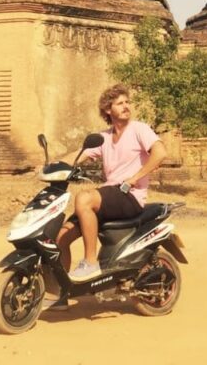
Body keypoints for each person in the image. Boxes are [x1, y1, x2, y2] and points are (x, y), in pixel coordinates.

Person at [55, 84, 166, 284]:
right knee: (61, 237)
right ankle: (61, 293)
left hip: (130, 195)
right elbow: (79, 155)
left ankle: (90, 262)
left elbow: (160, 153)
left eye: (127, 102)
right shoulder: (104, 138)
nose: (126, 106)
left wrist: (134, 177)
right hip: (110, 195)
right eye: (120, 103)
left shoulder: (139, 129)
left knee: (84, 198)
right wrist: (53, 166)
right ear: (108, 109)